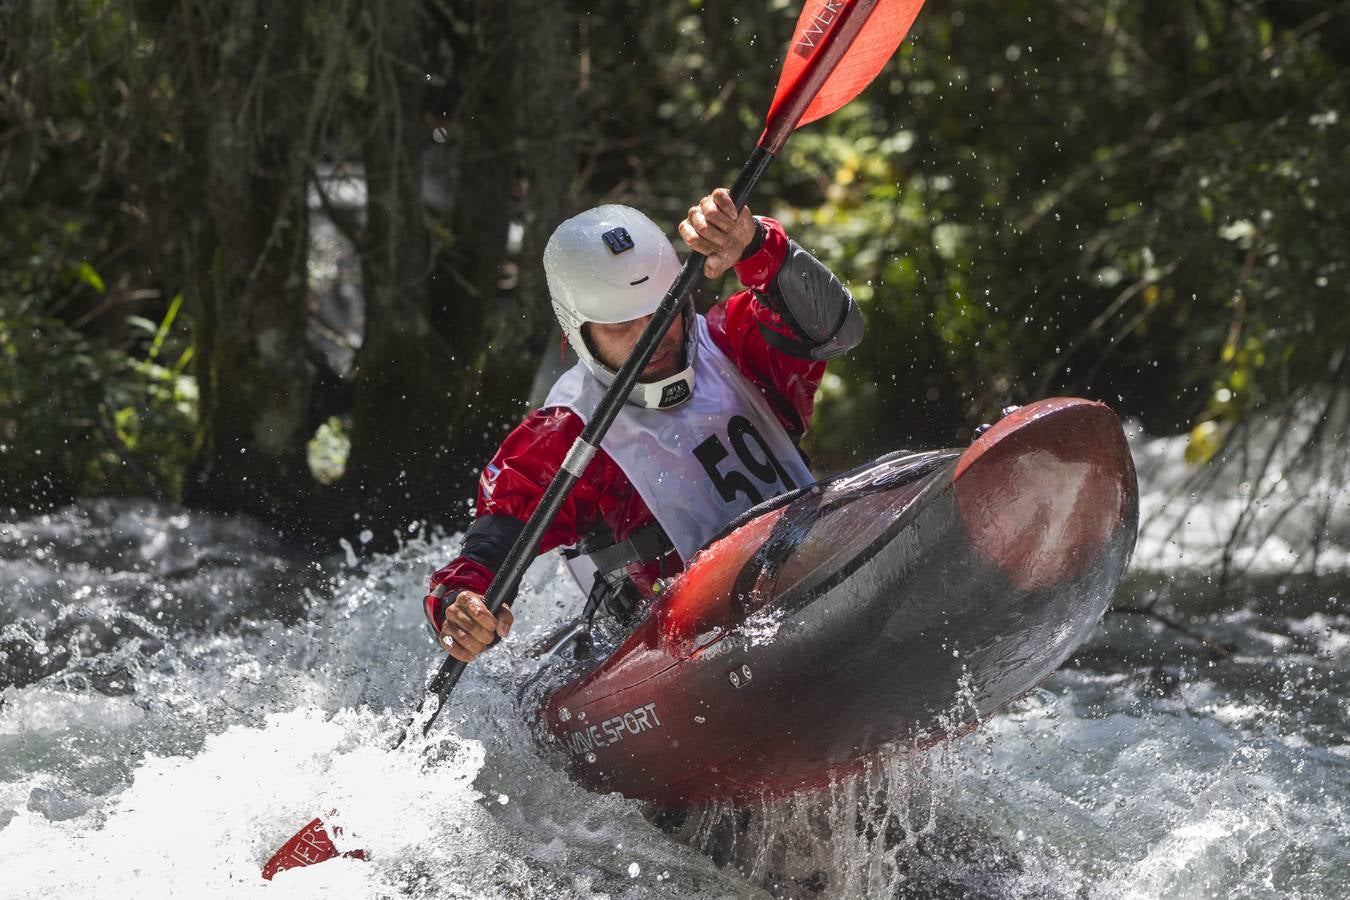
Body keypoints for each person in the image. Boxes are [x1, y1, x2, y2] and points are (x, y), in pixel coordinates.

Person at [425, 187, 863, 663]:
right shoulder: (564, 435)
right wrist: (461, 606)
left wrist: (755, 246)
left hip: (802, 567)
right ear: (579, 333)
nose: (649, 339)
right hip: (673, 649)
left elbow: (838, 329)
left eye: (659, 314)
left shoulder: (735, 344)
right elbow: (487, 552)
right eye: (619, 327)